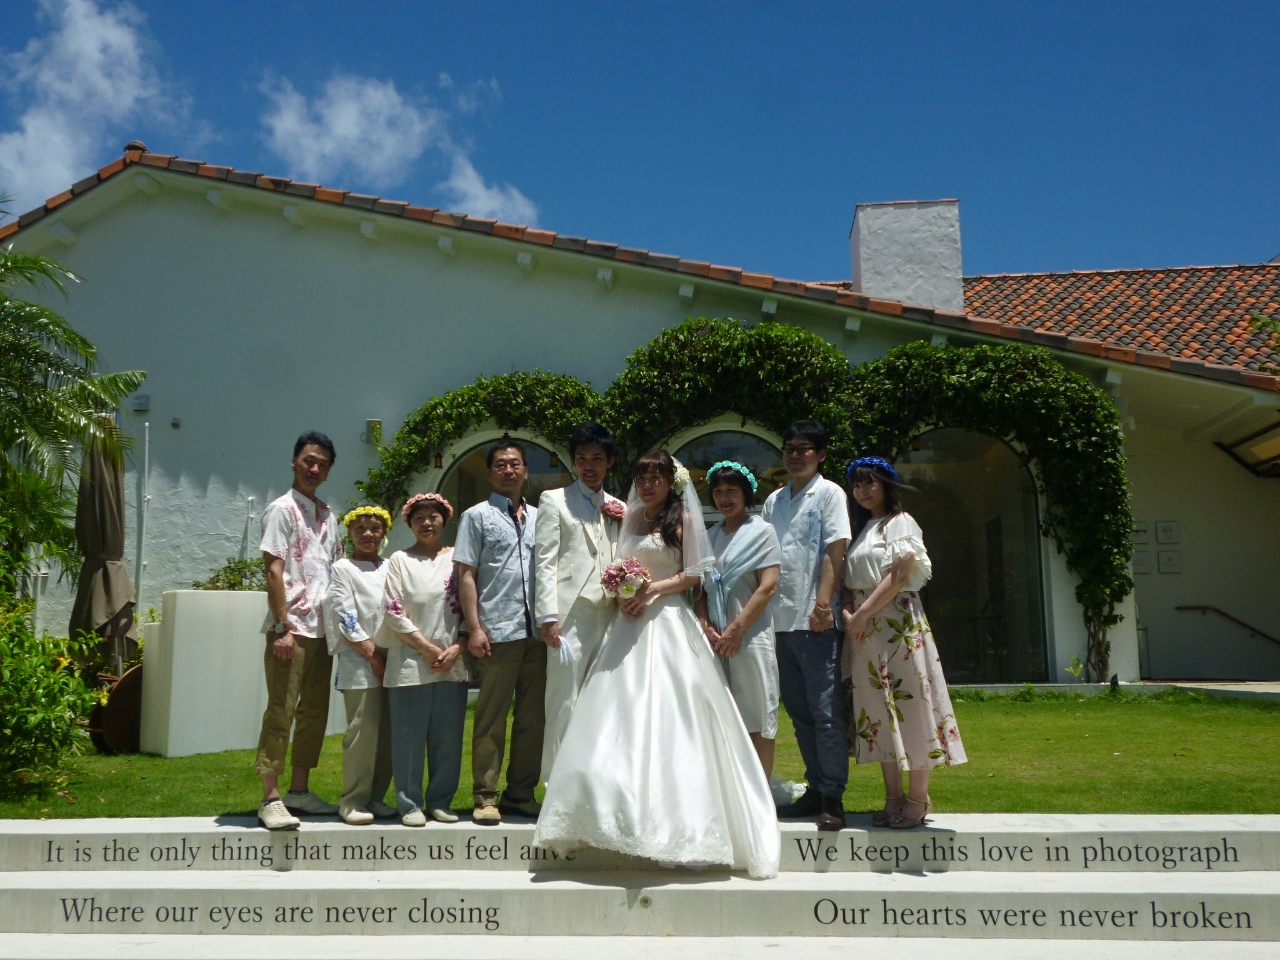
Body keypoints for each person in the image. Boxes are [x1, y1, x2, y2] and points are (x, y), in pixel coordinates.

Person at [534, 451, 781, 880]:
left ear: (671, 482)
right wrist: (622, 590)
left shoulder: (681, 520)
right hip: (627, 624)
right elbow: (614, 565)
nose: (648, 485)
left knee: (675, 714)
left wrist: (650, 591)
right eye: (642, 478)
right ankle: (606, 812)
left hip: (668, 621)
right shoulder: (628, 519)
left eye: (657, 478)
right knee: (614, 716)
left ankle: (679, 820)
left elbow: (694, 574)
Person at [842, 457, 966, 829]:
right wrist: (852, 616)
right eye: (858, 485)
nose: (863, 491)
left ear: (886, 486)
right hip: (865, 633)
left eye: (871, 484)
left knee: (911, 706)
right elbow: (850, 584)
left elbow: (899, 576)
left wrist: (863, 614)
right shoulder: (863, 530)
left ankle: (918, 796)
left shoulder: (901, 523)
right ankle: (892, 796)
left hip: (897, 624)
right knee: (877, 713)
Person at [761, 420, 851, 831]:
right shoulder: (773, 501)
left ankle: (832, 795)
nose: (795, 454)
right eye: (790, 448)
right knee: (799, 712)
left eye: (804, 448)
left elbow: (836, 551)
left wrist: (823, 604)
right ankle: (814, 788)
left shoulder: (830, 494)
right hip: (776, 622)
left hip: (814, 620)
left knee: (826, 710)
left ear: (821, 455)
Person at [255, 431, 342, 831]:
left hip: (323, 631)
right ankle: (270, 797)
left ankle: (300, 790)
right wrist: (280, 627)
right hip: (290, 628)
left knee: (314, 713)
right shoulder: (281, 510)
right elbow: (273, 569)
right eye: (308, 460)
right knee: (281, 710)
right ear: (294, 462)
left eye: (322, 464)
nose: (314, 468)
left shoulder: (328, 515)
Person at [455, 439, 544, 826]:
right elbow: (466, 574)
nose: (509, 470)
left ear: (526, 471)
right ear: (491, 473)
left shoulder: (543, 517)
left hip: (538, 632)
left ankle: (521, 793)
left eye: (516, 464)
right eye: (501, 465)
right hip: (496, 630)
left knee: (532, 717)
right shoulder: (476, 516)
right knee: (491, 717)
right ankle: (486, 795)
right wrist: (474, 628)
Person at [534, 421, 624, 782]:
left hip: (612, 612)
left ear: (609, 462)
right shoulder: (553, 500)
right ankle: (556, 785)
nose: (589, 465)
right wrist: (547, 616)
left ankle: (592, 782)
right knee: (563, 700)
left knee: (601, 699)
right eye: (582, 458)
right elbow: (544, 561)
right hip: (570, 612)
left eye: (597, 458)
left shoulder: (619, 506)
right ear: (573, 462)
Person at [376, 492, 469, 826]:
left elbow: (470, 605)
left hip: (452, 660)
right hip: (410, 661)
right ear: (409, 523)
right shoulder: (399, 560)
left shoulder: (459, 558)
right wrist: (428, 649)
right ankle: (410, 804)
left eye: (433, 516)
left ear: (445, 519)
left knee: (447, 737)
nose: (427, 522)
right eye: (419, 518)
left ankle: (441, 801)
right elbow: (392, 610)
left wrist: (458, 645)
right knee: (408, 738)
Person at [695, 461, 781, 777]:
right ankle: (734, 792)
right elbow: (700, 590)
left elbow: (768, 586)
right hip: (716, 639)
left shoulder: (762, 531)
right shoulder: (709, 536)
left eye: (731, 490)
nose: (724, 498)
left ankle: (761, 793)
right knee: (723, 715)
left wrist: (736, 629)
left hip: (750, 633)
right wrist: (706, 626)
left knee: (758, 712)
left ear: (746, 493)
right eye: (718, 492)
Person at [324, 503, 397, 826]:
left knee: (388, 734)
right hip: (360, 661)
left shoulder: (391, 566)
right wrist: (372, 655)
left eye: (375, 528)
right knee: (362, 733)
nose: (368, 534)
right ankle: (352, 800)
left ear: (384, 533)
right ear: (350, 533)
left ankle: (376, 797)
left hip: (394, 658)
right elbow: (345, 616)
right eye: (360, 529)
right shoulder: (343, 568)